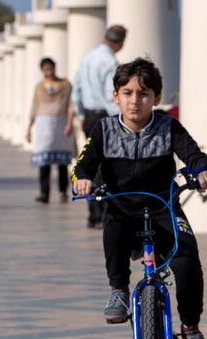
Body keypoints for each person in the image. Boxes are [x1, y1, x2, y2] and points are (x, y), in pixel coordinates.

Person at [72, 58, 207, 339]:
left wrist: (203, 170)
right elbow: (84, 163)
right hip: (122, 207)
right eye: (127, 93)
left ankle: (191, 330)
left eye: (143, 94)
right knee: (111, 228)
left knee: (188, 259)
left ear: (157, 97)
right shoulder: (104, 128)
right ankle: (118, 290)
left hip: (164, 207)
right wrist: (82, 179)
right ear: (116, 96)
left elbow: (193, 153)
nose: (135, 101)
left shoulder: (168, 126)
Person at [72, 24, 127, 227]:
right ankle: (103, 213)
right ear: (120, 42)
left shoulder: (88, 57)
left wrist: (80, 113)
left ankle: (93, 214)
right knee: (107, 167)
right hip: (105, 115)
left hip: (89, 115)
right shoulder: (110, 61)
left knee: (91, 163)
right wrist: (120, 119)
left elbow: (76, 87)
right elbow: (108, 95)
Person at [26, 58, 75, 203]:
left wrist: (69, 124)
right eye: (46, 69)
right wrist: (29, 127)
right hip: (43, 127)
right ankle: (44, 192)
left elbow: (71, 106)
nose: (49, 72)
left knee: (62, 163)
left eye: (51, 69)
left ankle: (63, 192)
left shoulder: (65, 85)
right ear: (42, 71)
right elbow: (34, 107)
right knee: (44, 162)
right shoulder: (39, 87)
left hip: (61, 124)